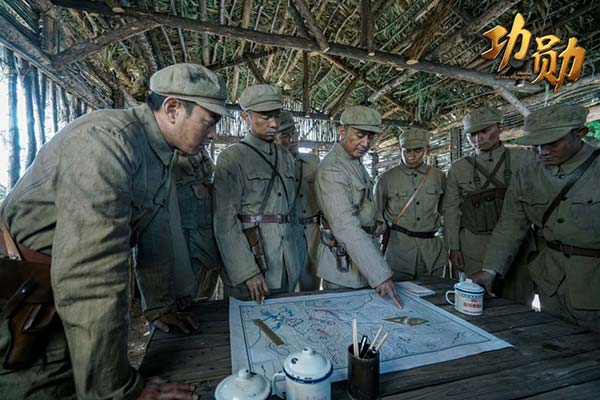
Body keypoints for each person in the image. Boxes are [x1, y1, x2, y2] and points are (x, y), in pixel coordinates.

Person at [0, 63, 228, 399]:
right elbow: (91, 274)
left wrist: (159, 306)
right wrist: (119, 391)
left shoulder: (159, 153)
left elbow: (154, 236)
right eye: (209, 121)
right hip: (28, 306)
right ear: (173, 109)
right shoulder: (106, 143)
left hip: (56, 300)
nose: (213, 134)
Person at [472, 104, 600, 332]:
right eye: (536, 145)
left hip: (593, 282)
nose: (543, 152)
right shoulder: (527, 175)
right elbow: (511, 225)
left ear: (580, 133)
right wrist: (490, 270)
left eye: (552, 143)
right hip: (550, 282)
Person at [213, 85, 299, 304]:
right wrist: (247, 271)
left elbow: (289, 209)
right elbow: (224, 221)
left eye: (276, 116)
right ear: (246, 117)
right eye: (265, 117)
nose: (274, 124)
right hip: (252, 262)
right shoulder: (232, 158)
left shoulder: (286, 157)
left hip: (286, 261)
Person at [443, 106, 534, 304]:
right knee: (476, 303)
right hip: (475, 249)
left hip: (518, 249)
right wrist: (453, 247)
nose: (478, 138)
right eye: (472, 134)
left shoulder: (524, 159)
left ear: (500, 128)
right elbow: (450, 211)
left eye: (485, 131)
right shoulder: (458, 168)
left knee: (519, 304)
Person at [315, 105, 402, 308]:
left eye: (371, 137)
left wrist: (377, 221)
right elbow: (345, 226)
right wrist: (380, 275)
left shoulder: (354, 162)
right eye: (360, 135)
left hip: (362, 264)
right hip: (343, 272)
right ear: (342, 131)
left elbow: (364, 203)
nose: (366, 143)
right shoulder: (333, 169)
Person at [374, 127, 447, 281]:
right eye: (407, 151)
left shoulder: (439, 177)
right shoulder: (385, 180)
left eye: (418, 150)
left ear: (428, 150)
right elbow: (377, 215)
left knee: (435, 293)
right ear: (400, 149)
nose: (411, 156)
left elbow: (445, 212)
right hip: (398, 254)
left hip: (431, 254)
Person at [275, 111, 321, 291]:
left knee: (311, 287)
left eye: (294, 133)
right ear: (274, 139)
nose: (292, 139)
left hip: (311, 234)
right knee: (283, 287)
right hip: (283, 235)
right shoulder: (270, 166)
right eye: (285, 135)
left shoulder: (314, 162)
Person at [172, 144, 222, 300]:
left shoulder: (201, 153)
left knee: (205, 294)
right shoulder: (172, 159)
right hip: (187, 242)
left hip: (206, 241)